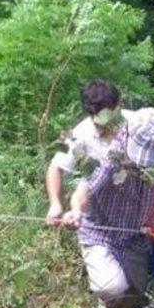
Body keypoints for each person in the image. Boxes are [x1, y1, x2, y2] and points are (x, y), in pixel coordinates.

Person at [62, 108, 154, 308]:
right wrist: (75, 211)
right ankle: (108, 306)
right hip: (100, 230)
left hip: (134, 231)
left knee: (138, 293)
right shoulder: (111, 155)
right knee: (111, 288)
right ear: (127, 134)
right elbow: (84, 191)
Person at [45, 79, 123, 225]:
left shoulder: (135, 124)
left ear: (117, 107)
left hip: (136, 210)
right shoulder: (80, 134)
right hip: (98, 216)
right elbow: (56, 167)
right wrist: (55, 204)